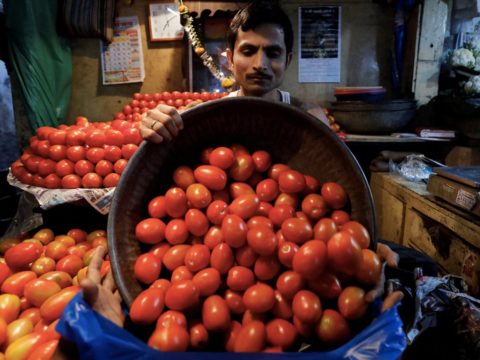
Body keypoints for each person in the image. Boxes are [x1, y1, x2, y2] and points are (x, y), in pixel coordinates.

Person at [79, 1, 404, 329]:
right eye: (248, 51)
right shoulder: (205, 118)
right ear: (229, 56)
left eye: (273, 53)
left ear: (287, 60)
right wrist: (154, 126)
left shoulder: (311, 118)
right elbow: (163, 167)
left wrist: (358, 249)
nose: (260, 64)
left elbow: (340, 202)